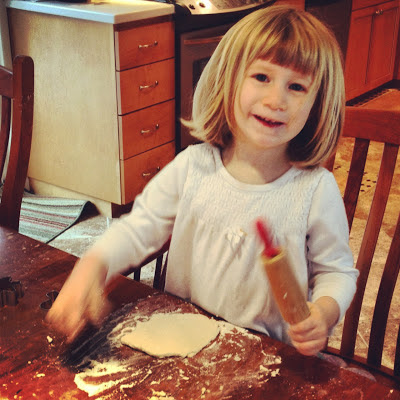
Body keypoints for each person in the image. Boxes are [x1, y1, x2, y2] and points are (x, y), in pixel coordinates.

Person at [47, 5, 358, 356]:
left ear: (318, 104)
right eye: (261, 77)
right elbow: (137, 230)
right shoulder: (192, 167)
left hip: (267, 356)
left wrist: (324, 312)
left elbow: (337, 273)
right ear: (228, 80)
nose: (276, 100)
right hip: (184, 350)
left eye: (297, 86)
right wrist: (95, 262)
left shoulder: (314, 191)